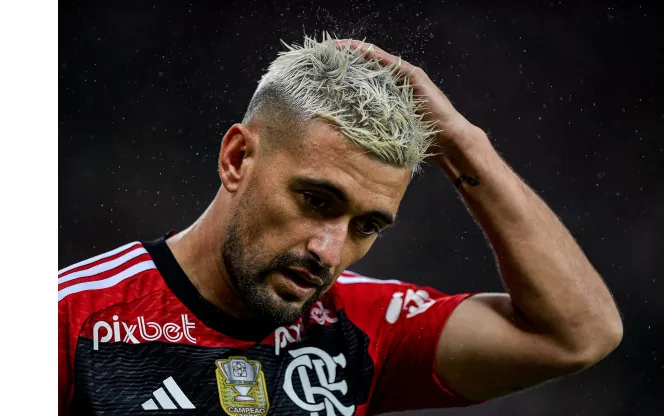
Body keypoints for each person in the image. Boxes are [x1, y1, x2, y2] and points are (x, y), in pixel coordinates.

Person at [58, 33, 623, 415]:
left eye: (368, 225)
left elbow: (579, 335)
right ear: (237, 159)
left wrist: (464, 146)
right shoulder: (68, 324)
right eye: (317, 201)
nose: (330, 251)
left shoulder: (363, 325)